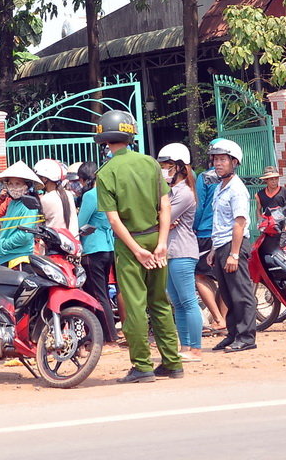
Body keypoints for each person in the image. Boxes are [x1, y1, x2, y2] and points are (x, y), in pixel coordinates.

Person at [94, 110, 181, 383]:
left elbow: (113, 219)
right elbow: (164, 205)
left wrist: (136, 250)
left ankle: (142, 365)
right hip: (156, 238)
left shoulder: (106, 173)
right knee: (160, 303)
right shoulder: (151, 164)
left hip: (130, 244)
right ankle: (172, 362)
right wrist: (162, 243)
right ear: (130, 134)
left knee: (134, 306)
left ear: (105, 139)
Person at [206, 138, 257, 353]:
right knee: (227, 293)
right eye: (215, 159)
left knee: (241, 293)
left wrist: (234, 254)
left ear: (234, 162)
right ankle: (234, 333)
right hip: (221, 245)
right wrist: (214, 250)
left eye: (222, 160)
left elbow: (239, 222)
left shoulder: (237, 189)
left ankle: (247, 337)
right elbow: (220, 222)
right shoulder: (220, 188)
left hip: (234, 246)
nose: (218, 163)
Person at [157, 143, 202, 362]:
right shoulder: (171, 192)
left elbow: (162, 218)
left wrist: (164, 218)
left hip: (183, 251)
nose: (163, 170)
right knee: (177, 302)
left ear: (179, 167)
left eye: (167, 166)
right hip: (171, 252)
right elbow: (165, 220)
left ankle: (195, 348)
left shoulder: (184, 193)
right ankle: (184, 346)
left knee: (188, 300)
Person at [76, 161, 117, 343]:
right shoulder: (109, 194)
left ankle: (107, 336)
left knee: (97, 295)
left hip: (93, 248)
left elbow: (80, 223)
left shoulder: (91, 196)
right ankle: (107, 334)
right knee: (104, 294)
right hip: (108, 246)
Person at [193, 146, 227, 333]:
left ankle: (217, 318)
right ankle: (223, 321)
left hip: (206, 233)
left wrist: (194, 227)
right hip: (225, 235)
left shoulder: (205, 177)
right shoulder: (233, 179)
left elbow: (199, 207)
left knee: (200, 276)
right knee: (223, 279)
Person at [0, 162, 43, 266]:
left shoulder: (29, 205)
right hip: (6, 256)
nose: (13, 187)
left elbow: (25, 235)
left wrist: (3, 245)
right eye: (10, 184)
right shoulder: (12, 203)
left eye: (18, 183)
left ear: (27, 186)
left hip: (18, 258)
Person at [34, 158, 79, 238]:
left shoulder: (46, 199)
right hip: (72, 241)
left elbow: (37, 222)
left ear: (45, 179)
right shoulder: (68, 194)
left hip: (55, 243)